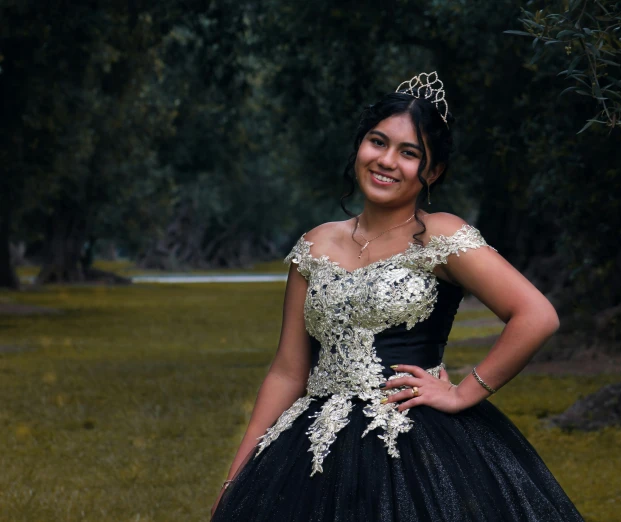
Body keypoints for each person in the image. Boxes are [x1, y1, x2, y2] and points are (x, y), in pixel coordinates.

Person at [210, 72, 584, 521]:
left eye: (409, 153)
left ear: (433, 172)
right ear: (359, 147)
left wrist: (465, 393)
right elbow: (288, 371)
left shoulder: (441, 235)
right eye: (377, 142)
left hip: (414, 444)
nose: (387, 161)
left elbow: (536, 315)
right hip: (307, 451)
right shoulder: (315, 245)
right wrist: (238, 478)